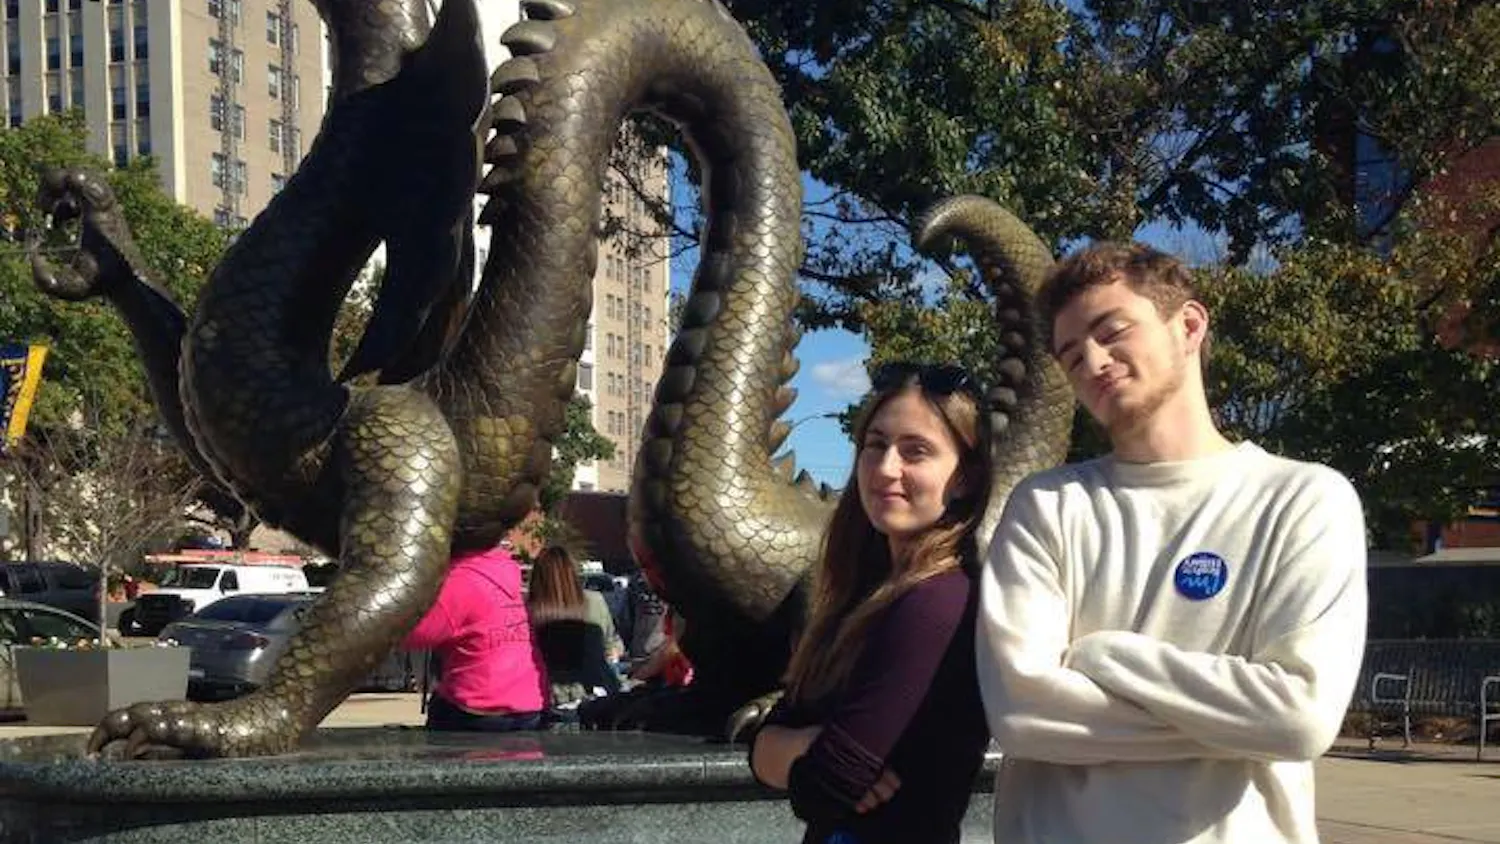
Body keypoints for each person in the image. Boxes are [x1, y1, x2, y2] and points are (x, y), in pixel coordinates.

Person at [977, 242, 1368, 844]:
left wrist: (1108, 657)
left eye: (1112, 331)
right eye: (1071, 354)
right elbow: (1023, 716)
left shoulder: (1303, 499)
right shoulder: (1048, 505)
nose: (1094, 362)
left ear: (1187, 324)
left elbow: (1300, 718)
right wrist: (1238, 721)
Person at [749, 362, 994, 844]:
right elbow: (767, 746)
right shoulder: (863, 596)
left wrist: (792, 752)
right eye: (875, 445)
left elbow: (824, 787)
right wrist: (802, 744)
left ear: (964, 477)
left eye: (915, 451)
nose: (885, 469)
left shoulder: (939, 600)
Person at [402, 543, 546, 732]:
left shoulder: (461, 580)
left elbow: (414, 634)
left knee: (441, 708)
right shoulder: (503, 571)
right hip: (530, 700)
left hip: (478, 706)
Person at [526, 545, 624, 712]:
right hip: (590, 695)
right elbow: (612, 644)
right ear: (573, 575)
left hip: (545, 698)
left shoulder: (527, 612)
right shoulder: (595, 602)